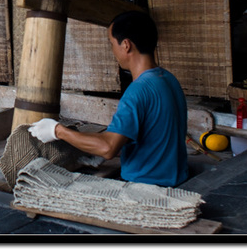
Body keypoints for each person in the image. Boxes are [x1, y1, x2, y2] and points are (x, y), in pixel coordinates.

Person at [28, 10, 188, 187]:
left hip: (146, 185)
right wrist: (89, 146)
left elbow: (108, 148)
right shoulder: (168, 79)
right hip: (177, 178)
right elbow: (151, 136)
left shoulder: (137, 92)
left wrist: (57, 131)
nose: (113, 50)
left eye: (112, 44)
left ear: (126, 45)